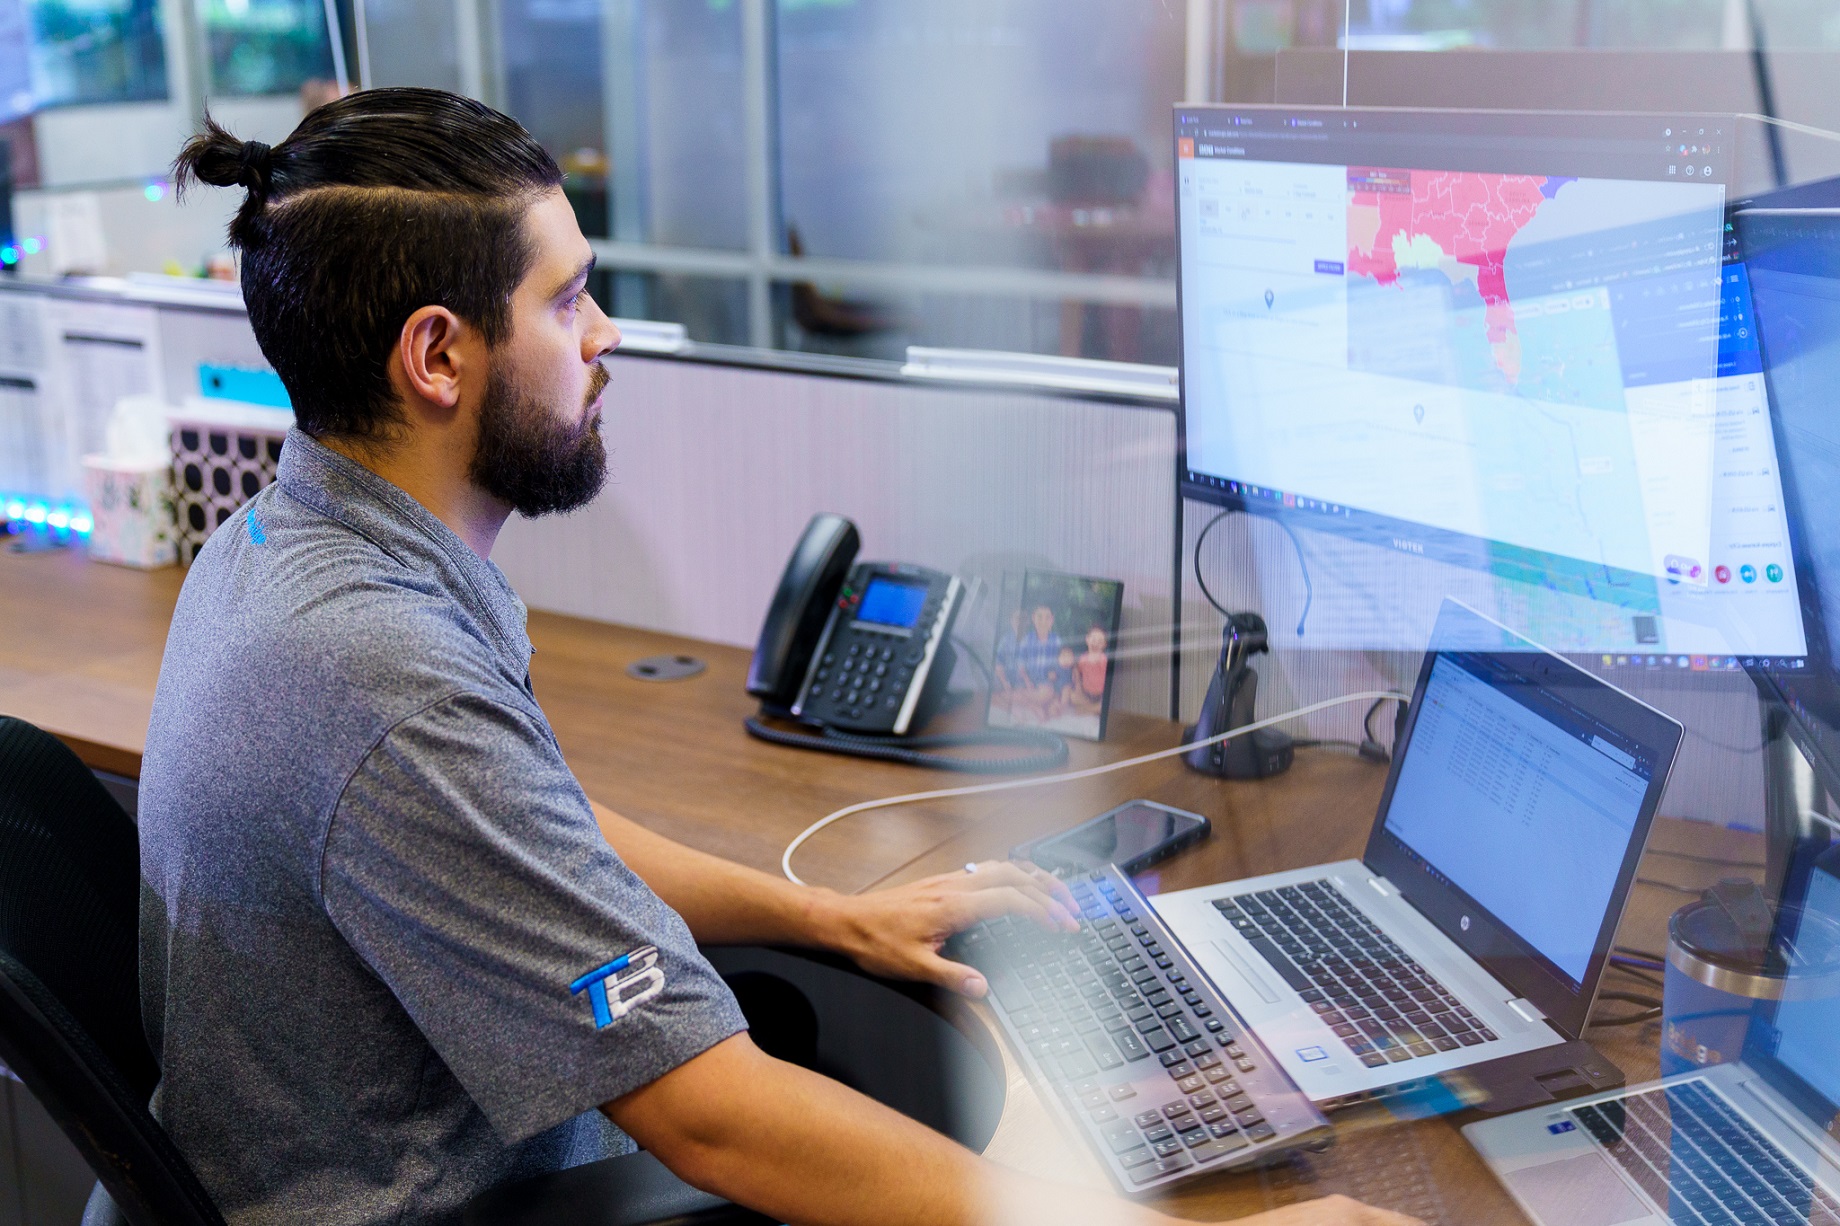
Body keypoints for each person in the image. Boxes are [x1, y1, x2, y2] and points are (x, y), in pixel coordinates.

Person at [134, 88, 1417, 1226]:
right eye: (567, 298)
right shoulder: (380, 673)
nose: (605, 336)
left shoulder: (284, 535)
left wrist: (830, 913)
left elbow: (533, 829)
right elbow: (713, 1120)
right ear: (435, 354)